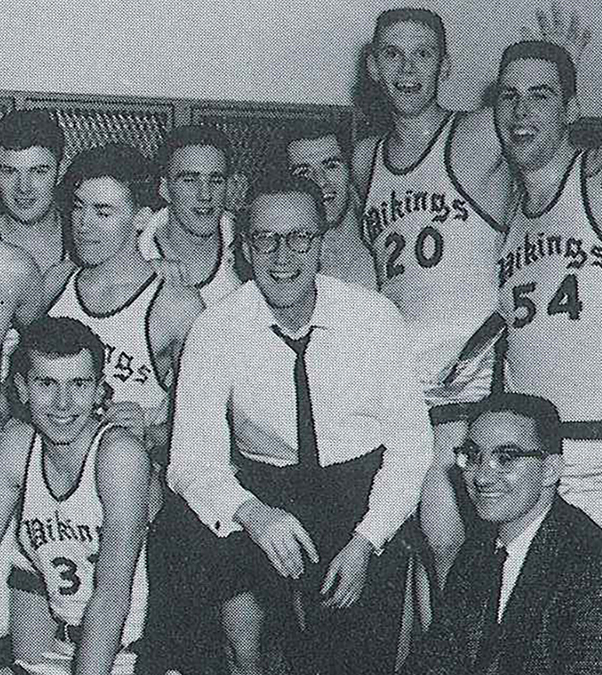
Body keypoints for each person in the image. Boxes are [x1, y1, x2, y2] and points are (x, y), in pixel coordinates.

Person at [353, 4, 590, 584]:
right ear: (374, 68)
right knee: (420, 554)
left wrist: (566, 64)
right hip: (402, 387)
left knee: (456, 542)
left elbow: (535, 128)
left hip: (472, 380)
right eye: (393, 54)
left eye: (423, 54)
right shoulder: (365, 162)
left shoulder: (476, 133)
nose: (407, 69)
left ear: (446, 66)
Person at [162, 173, 433, 675]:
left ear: (321, 243)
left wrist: (367, 539)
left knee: (352, 660)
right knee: (249, 644)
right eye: (265, 239)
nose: (282, 256)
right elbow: (190, 462)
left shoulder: (373, 318)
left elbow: (411, 446)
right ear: (244, 249)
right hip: (267, 495)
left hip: (360, 493)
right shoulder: (216, 328)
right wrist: (253, 514)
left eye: (299, 238)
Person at [0, 316, 161, 675]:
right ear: (22, 388)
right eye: (46, 384)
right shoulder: (18, 444)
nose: (63, 403)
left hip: (137, 653)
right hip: (60, 649)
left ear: (99, 389)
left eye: (79, 384)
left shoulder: (118, 454)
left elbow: (110, 598)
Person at [402, 392, 602, 675]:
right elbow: (435, 659)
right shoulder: (479, 550)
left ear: (550, 470)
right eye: (472, 456)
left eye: (506, 458)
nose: (481, 477)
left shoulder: (590, 564)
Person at [494, 40, 602, 528]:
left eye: (540, 95)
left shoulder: (592, 180)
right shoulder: (509, 214)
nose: (521, 111)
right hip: (541, 463)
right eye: (509, 95)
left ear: (570, 110)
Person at [44, 142, 204, 454]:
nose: (84, 224)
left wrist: (150, 432)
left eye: (103, 212)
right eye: (78, 207)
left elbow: (205, 425)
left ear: (141, 218)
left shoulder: (175, 305)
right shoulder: (57, 282)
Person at [138, 124, 247, 302]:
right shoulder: (135, 254)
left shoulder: (251, 247)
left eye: (216, 180)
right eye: (189, 180)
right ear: (164, 188)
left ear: (228, 187)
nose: (205, 194)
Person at [284, 120, 377, 289]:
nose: (320, 182)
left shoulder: (381, 229)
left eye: (331, 166)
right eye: (304, 172)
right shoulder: (285, 259)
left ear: (350, 170)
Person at [0, 110, 67, 273]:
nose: (23, 187)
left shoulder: (87, 239)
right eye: (9, 171)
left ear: (61, 171)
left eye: (39, 171)